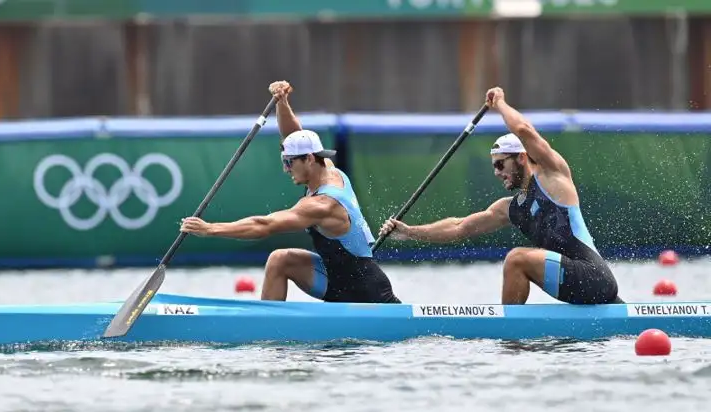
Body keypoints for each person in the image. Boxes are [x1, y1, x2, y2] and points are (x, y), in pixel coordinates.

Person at [379, 86, 622, 306]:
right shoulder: (510, 208)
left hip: (594, 276)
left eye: (500, 164)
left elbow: (523, 129)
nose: (497, 173)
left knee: (516, 259)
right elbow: (459, 227)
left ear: (521, 158)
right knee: (516, 258)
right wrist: (409, 231)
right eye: (494, 166)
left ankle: (509, 339)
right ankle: (512, 334)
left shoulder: (552, 175)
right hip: (580, 284)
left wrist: (500, 104)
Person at [180, 80, 401, 304]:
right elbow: (295, 135)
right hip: (336, 278)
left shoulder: (322, 205)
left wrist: (211, 229)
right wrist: (282, 102)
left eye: (288, 163)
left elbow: (264, 225)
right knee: (280, 260)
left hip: (366, 293)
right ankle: (266, 325)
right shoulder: (327, 169)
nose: (286, 170)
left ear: (309, 159)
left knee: (280, 257)